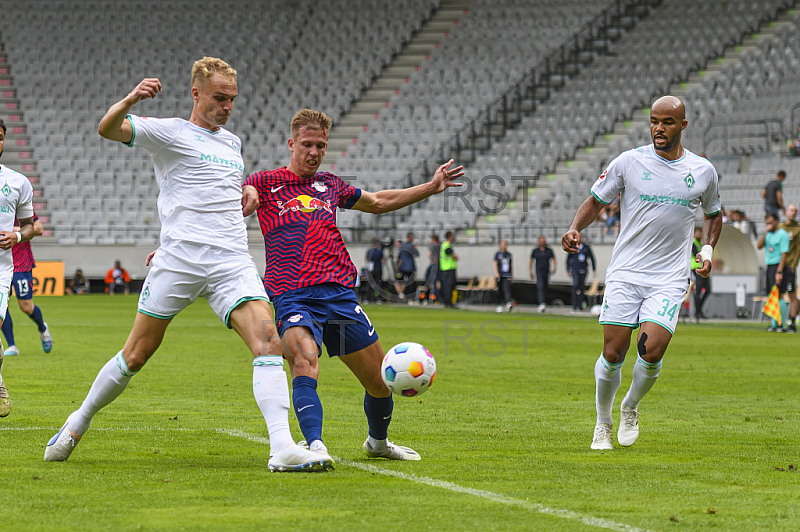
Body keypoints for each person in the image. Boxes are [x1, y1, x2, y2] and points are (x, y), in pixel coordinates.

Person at [44, 58, 326, 472]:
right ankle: (77, 421)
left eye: (231, 99)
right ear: (196, 93)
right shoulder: (170, 132)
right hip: (179, 260)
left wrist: (247, 194)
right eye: (218, 98)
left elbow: (218, 193)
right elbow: (107, 129)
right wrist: (131, 99)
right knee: (136, 355)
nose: (226, 106)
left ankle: (281, 447)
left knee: (269, 342)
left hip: (231, 259)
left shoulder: (232, 144)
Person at [244, 109, 463, 462]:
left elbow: (377, 202)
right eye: (306, 144)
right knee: (304, 359)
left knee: (379, 382)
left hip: (339, 296)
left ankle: (377, 443)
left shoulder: (331, 184)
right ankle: (314, 446)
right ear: (291, 143)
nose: (314, 152)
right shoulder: (265, 182)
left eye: (321, 145)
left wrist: (430, 187)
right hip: (293, 293)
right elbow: (226, 206)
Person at [562, 95, 722, 450]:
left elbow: (713, 213)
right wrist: (576, 228)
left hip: (669, 277)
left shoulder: (702, 171)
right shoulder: (629, 162)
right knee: (614, 352)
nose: (658, 129)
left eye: (666, 122)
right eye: (653, 121)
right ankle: (603, 423)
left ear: (682, 125)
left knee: (651, 350)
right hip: (626, 273)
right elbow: (595, 201)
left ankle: (630, 406)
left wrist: (707, 250)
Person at [0, 117, 38, 417]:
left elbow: (29, 227)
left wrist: (16, 235)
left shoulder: (17, 182)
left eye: (0, 136)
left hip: (1, 269)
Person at [2, 212, 53, 357]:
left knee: (26, 306)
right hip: (2, 265)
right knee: (2, 304)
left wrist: (14, 231)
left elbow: (38, 229)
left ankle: (42, 328)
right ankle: (11, 345)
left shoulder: (21, 207)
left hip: (21, 264)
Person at [758, 212, 790, 332]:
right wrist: (766, 231)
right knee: (772, 295)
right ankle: (774, 324)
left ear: (776, 221)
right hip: (770, 266)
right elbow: (759, 246)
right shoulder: (769, 234)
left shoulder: (783, 235)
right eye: (767, 223)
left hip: (778, 266)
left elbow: (784, 254)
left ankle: (781, 325)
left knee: (780, 294)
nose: (769, 225)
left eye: (771, 223)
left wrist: (780, 271)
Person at [779, 204, 800, 332]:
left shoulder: (797, 229)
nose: (793, 213)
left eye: (795, 211)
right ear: (786, 212)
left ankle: (792, 322)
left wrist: (793, 265)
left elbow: (798, 249)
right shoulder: (780, 228)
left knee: (792, 295)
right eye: (791, 210)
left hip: (789, 266)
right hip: (778, 266)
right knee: (778, 294)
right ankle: (778, 322)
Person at [566, 241, 596, 312]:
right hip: (575, 269)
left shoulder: (586, 248)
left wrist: (593, 269)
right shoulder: (573, 247)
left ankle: (580, 305)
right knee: (575, 285)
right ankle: (574, 305)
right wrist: (568, 268)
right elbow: (568, 258)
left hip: (583, 269)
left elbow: (591, 258)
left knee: (582, 287)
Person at [530, 236, 556, 312]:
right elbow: (531, 260)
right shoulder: (535, 251)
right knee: (540, 286)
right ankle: (541, 302)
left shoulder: (549, 251)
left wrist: (554, 268)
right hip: (539, 271)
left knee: (545, 287)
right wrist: (531, 271)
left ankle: (544, 301)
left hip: (546, 271)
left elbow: (554, 259)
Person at [690, 227, 711, 320]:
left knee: (707, 290)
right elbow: (696, 255)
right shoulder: (692, 243)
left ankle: (699, 309)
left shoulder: (701, 244)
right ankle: (697, 312)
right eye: (697, 233)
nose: (699, 235)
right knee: (697, 291)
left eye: (700, 233)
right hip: (695, 269)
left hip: (703, 268)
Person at [394, 232, 419, 301]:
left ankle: (401, 295)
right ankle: (409, 297)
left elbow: (400, 258)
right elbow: (416, 254)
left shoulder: (403, 246)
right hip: (410, 267)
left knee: (401, 282)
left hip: (402, 267)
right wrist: (415, 248)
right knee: (410, 283)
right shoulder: (411, 246)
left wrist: (398, 267)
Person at [439, 231, 459, 308]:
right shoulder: (447, 245)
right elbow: (451, 254)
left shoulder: (444, 244)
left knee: (446, 286)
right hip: (448, 268)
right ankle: (449, 302)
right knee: (449, 286)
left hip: (445, 268)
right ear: (450, 236)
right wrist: (455, 256)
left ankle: (447, 301)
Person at [493, 239, 513, 312]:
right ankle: (498, 304)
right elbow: (495, 263)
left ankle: (508, 303)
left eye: (505, 244)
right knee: (499, 290)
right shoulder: (498, 254)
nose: (504, 246)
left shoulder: (509, 254)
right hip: (500, 274)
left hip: (507, 274)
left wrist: (512, 275)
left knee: (507, 289)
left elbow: (511, 265)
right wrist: (496, 273)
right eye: (503, 244)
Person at [420, 234, 440, 305]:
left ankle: (430, 297)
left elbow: (429, 254)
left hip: (434, 264)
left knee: (430, 280)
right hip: (440, 265)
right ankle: (438, 298)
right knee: (438, 282)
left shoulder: (432, 246)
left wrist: (433, 259)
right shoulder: (441, 246)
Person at [364, 238, 384, 303]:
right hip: (378, 268)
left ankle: (368, 298)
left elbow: (367, 259)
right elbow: (382, 260)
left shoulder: (369, 251)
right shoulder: (379, 251)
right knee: (378, 284)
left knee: (370, 283)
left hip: (371, 269)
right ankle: (378, 298)